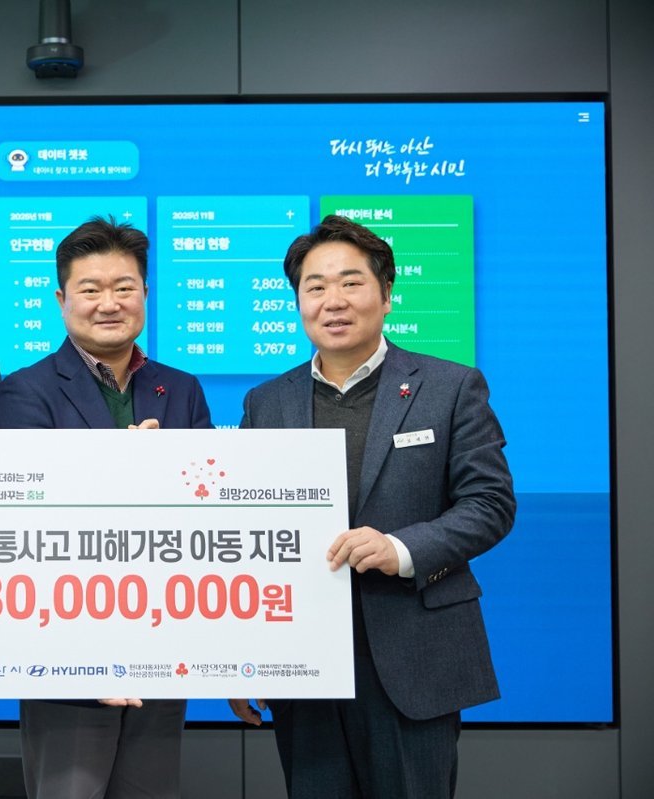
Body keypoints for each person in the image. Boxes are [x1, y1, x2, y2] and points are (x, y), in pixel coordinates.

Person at [228, 215, 516, 798]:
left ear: (386, 294)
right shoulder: (267, 402)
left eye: (351, 282)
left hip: (415, 655)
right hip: (302, 662)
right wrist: (244, 656)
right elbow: (246, 529)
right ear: (298, 302)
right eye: (315, 286)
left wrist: (401, 548)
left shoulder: (450, 387)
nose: (333, 301)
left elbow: (490, 503)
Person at [0, 216, 211, 798]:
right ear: (61, 299)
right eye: (90, 289)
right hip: (66, 655)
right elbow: (22, 523)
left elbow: (209, 513)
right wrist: (123, 469)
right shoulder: (25, 390)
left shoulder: (182, 389)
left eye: (124, 287)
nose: (109, 304)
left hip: (163, 645)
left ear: (146, 294)